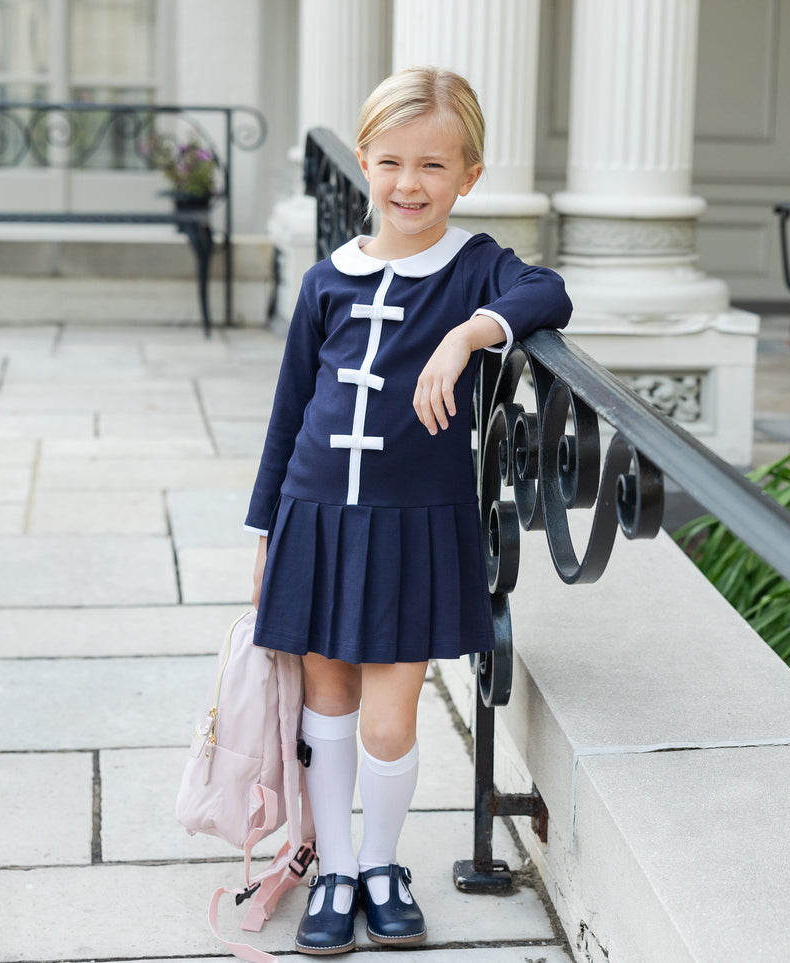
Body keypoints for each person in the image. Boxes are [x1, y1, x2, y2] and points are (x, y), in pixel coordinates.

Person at [244, 65, 571, 956]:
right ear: (362, 163)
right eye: (390, 162)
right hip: (317, 514)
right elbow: (288, 412)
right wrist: (266, 528)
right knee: (327, 705)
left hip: (414, 524)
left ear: (467, 174)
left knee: (391, 716)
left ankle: (383, 863)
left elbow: (548, 293)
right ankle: (338, 867)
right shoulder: (326, 279)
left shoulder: (471, 268)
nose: (409, 184)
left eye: (434, 166)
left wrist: (469, 335)